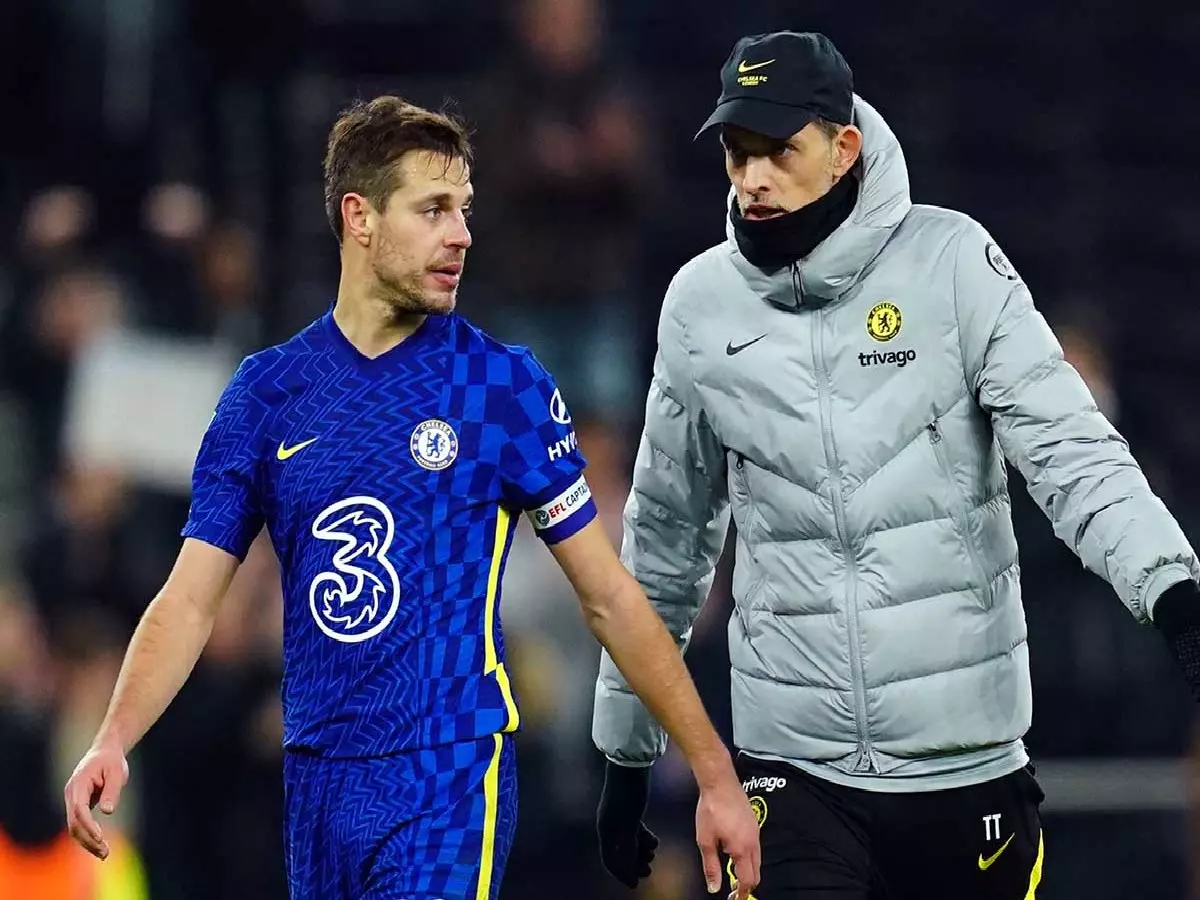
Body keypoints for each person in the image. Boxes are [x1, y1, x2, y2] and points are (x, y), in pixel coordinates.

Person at [62, 95, 760, 900]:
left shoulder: (500, 386)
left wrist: (713, 772)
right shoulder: (267, 395)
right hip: (317, 777)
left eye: (464, 210)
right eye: (433, 210)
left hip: (448, 769)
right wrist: (113, 735)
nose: (461, 233)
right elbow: (188, 601)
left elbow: (608, 595)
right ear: (359, 218)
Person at [591, 31, 1200, 900]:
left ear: (844, 148)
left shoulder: (953, 265)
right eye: (737, 153)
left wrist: (1176, 597)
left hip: (967, 768)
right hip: (792, 773)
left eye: (778, 151)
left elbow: (1074, 452)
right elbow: (662, 541)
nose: (752, 177)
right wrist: (624, 749)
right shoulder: (699, 305)